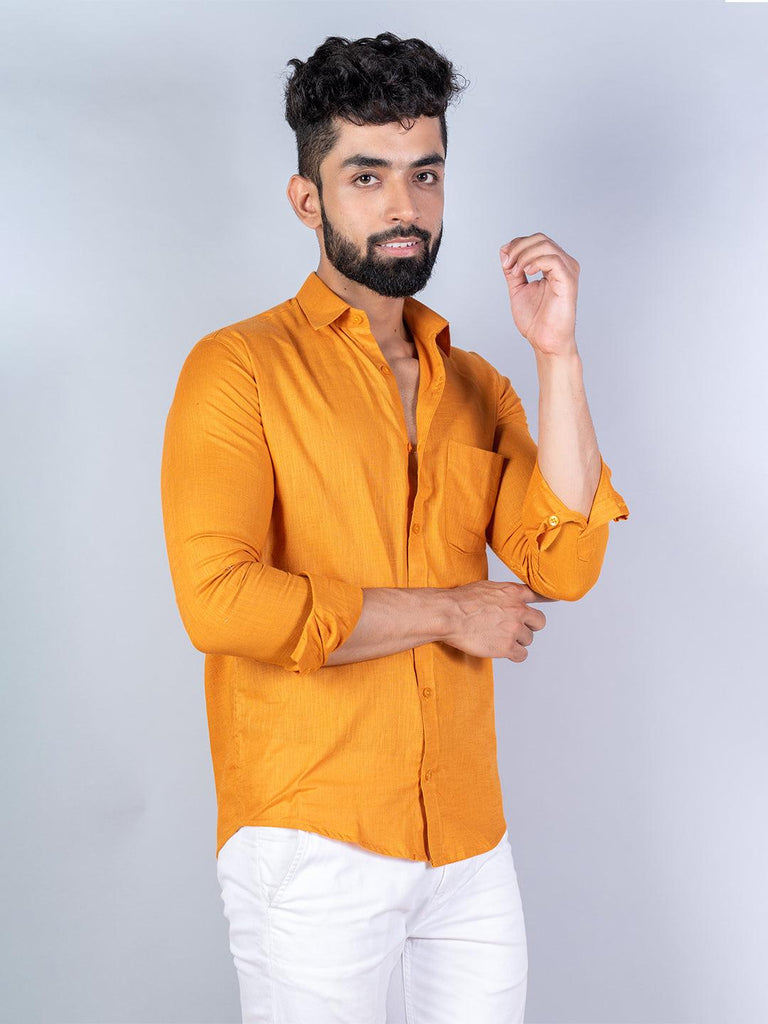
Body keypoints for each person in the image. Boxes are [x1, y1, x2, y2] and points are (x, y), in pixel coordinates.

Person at [160, 31, 629, 1024]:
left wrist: (557, 356)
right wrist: (452, 612)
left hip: (467, 845)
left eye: (426, 174)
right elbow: (221, 603)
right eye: (366, 176)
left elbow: (566, 561)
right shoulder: (237, 369)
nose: (404, 205)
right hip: (311, 840)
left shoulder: (478, 385)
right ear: (308, 199)